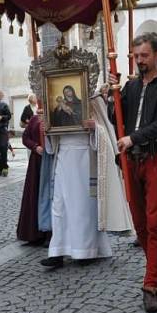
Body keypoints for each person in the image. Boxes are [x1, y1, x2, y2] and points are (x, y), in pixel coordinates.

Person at [108, 32, 157, 313]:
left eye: (144, 56)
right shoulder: (132, 86)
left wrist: (134, 138)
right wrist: (112, 95)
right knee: (139, 222)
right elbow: (118, 118)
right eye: (136, 56)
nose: (139, 61)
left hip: (155, 156)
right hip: (131, 160)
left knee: (154, 221)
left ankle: (150, 284)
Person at [39, 104, 113, 269]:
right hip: (62, 157)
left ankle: (85, 251)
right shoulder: (56, 107)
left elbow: (107, 132)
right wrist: (48, 130)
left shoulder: (92, 101)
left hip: (84, 159)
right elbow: (51, 146)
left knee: (81, 207)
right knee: (59, 207)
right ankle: (57, 252)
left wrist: (95, 128)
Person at [18, 100, 47, 245]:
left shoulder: (56, 118)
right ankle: (34, 233)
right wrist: (35, 147)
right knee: (34, 194)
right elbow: (25, 137)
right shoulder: (35, 119)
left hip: (51, 160)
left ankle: (49, 233)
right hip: (36, 162)